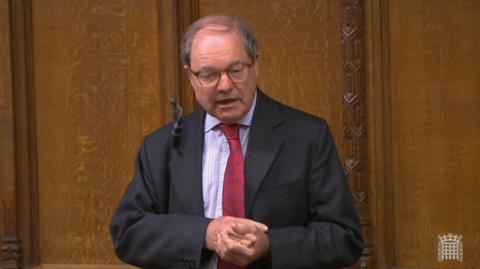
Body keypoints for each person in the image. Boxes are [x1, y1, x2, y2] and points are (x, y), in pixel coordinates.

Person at [110, 14, 363, 269]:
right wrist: (206, 233)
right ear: (190, 77)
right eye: (208, 75)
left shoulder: (308, 136)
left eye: (236, 70)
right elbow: (128, 231)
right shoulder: (161, 146)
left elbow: (344, 238)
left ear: (255, 65)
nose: (224, 85)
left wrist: (270, 245)